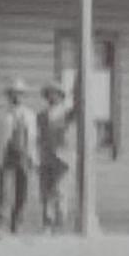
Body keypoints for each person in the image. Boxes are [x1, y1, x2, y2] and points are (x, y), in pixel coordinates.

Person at [0, 80, 38, 238]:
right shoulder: (3, 115)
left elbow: (33, 138)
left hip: (24, 156)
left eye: (19, 94)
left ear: (23, 96)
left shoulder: (30, 115)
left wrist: (33, 157)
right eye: (13, 94)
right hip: (7, 156)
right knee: (4, 193)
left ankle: (17, 224)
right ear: (9, 96)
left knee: (22, 192)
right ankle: (0, 226)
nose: (16, 97)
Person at [37, 80, 81, 232]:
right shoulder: (42, 115)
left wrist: (77, 88)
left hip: (62, 156)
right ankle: (47, 222)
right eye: (49, 93)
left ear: (61, 96)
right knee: (46, 191)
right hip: (45, 156)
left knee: (60, 190)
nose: (52, 96)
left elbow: (79, 108)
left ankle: (60, 223)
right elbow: (38, 136)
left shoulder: (67, 113)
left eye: (55, 93)